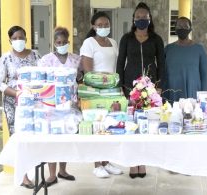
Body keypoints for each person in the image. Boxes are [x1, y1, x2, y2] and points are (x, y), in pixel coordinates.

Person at [116, 2, 165, 179]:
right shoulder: (126, 39)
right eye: (138, 17)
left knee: (146, 125)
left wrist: (159, 85)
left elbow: (162, 63)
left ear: (149, 19)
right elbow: (120, 63)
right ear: (133, 19)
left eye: (144, 17)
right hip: (131, 88)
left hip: (151, 89)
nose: (141, 20)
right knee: (132, 125)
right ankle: (132, 162)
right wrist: (120, 85)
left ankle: (142, 162)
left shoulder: (156, 39)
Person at [0, 26, 40, 189]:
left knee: (34, 135)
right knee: (18, 137)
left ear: (26, 39)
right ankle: (24, 176)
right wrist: (17, 94)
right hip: (13, 103)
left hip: (34, 102)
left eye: (21, 37)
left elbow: (43, 75)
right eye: (14, 38)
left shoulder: (35, 55)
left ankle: (35, 170)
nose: (18, 41)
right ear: (10, 41)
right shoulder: (5, 58)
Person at [80, 11, 122, 178]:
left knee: (110, 125)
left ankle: (106, 161)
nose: (104, 27)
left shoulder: (113, 42)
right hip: (96, 91)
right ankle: (97, 164)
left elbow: (116, 66)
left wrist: (114, 83)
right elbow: (88, 71)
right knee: (97, 125)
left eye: (106, 25)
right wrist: (103, 83)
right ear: (93, 26)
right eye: (100, 25)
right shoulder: (89, 43)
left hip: (112, 90)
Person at [38, 27, 78, 186]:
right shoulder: (46, 60)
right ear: (54, 43)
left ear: (69, 42)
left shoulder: (75, 59)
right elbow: (41, 82)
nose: (61, 44)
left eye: (64, 42)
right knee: (52, 139)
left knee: (66, 138)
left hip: (70, 105)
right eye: (58, 42)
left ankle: (63, 170)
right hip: (51, 106)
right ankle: (52, 174)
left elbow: (80, 77)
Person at [164, 17, 207, 103]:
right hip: (172, 92)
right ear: (175, 29)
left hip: (192, 92)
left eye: (185, 26)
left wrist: (204, 97)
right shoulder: (168, 49)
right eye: (179, 26)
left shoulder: (199, 49)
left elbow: (204, 75)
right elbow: (163, 72)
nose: (182, 28)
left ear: (190, 29)